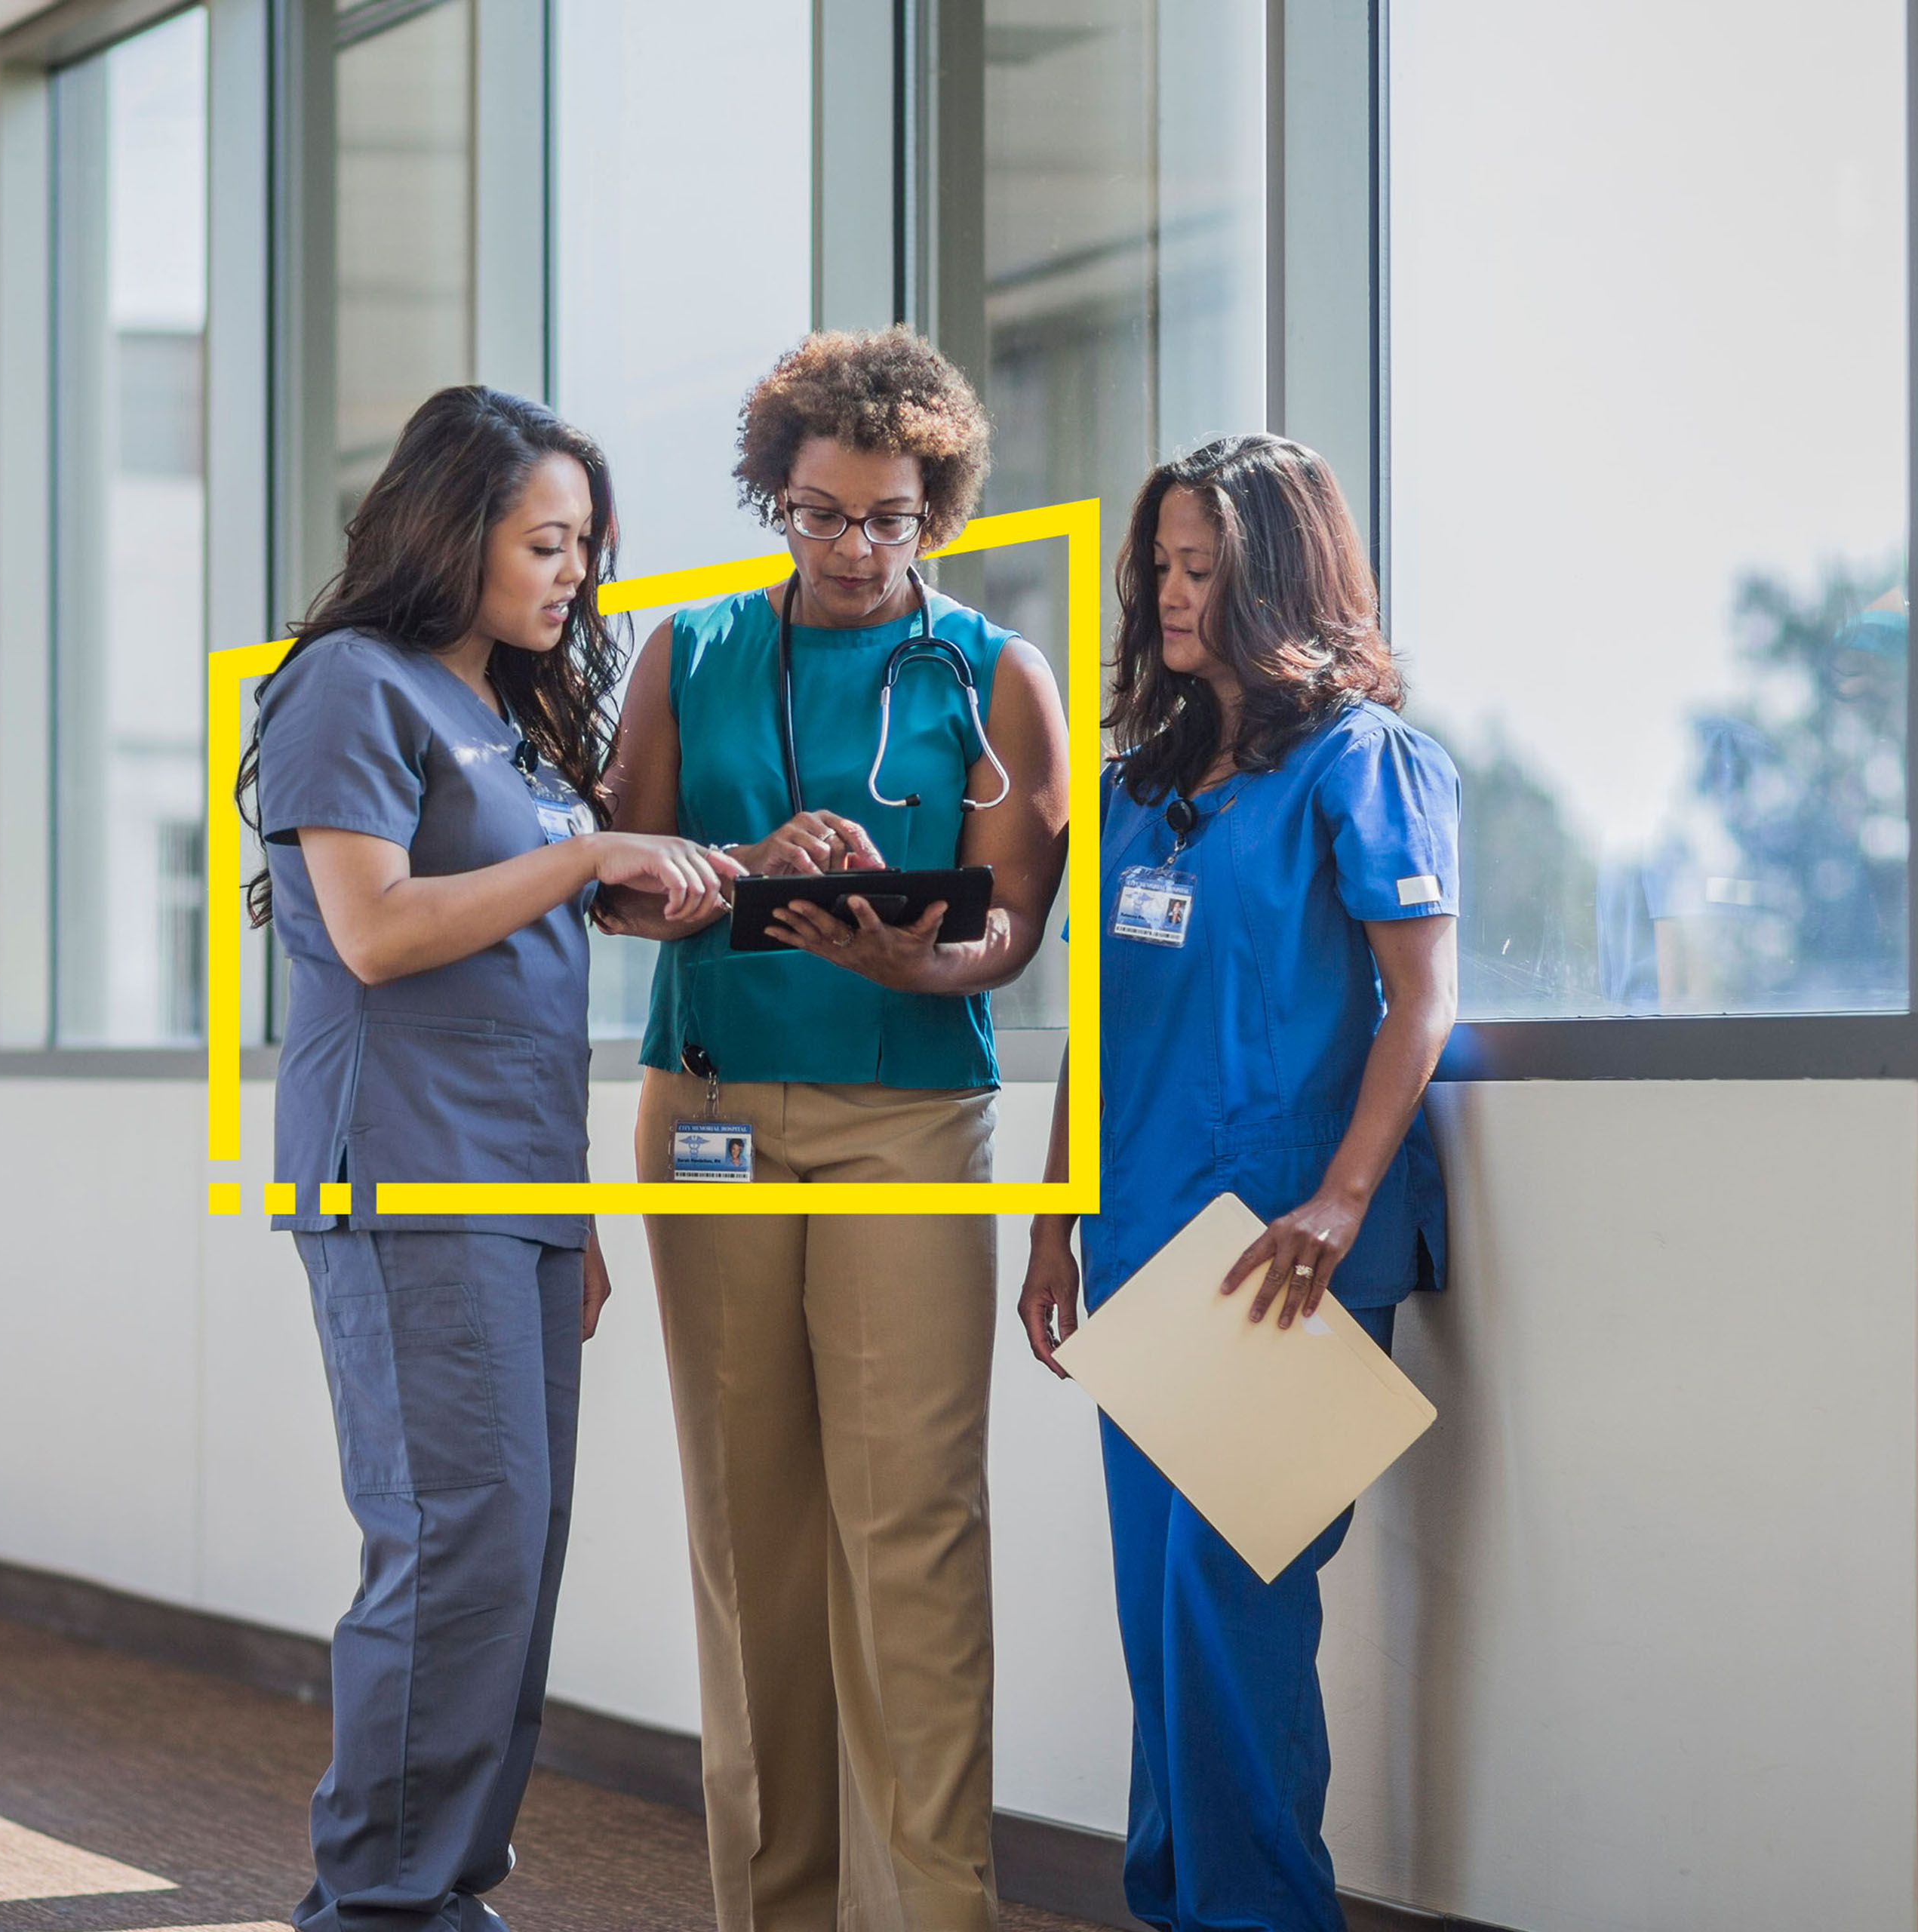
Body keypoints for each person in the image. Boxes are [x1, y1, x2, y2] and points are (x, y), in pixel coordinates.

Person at [243, 385, 739, 1932]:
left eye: (586, 543)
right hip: (404, 1176)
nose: (574, 572)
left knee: (514, 1550)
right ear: (451, 528)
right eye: (546, 538)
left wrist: (573, 1205)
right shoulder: (348, 683)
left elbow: (527, 988)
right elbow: (379, 931)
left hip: (514, 1186)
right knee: (453, 1539)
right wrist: (589, 854)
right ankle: (379, 1901)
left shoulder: (514, 726)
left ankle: (442, 1885)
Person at [601, 328, 1070, 1932]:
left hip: (913, 1113)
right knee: (752, 1534)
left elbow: (1015, 918)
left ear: (937, 507)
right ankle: (777, 1909)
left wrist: (925, 956)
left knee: (915, 1527)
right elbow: (614, 873)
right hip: (713, 1102)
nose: (857, 548)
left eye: (891, 517)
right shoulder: (690, 649)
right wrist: (742, 857)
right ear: (772, 499)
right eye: (821, 513)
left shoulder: (998, 674)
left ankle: (931, 1912)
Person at [1016, 434, 1459, 1932]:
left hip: (1284, 1253)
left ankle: (1261, 1912)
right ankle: (1178, 1899)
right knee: (1161, 1612)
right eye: (1162, 566)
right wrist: (1050, 1216)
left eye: (1205, 568)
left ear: (1280, 578)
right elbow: (1099, 1017)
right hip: (1138, 1235)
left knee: (1229, 1599)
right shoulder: (1139, 780)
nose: (1173, 592)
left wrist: (1340, 1197)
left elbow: (1421, 1000)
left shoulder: (1365, 759)